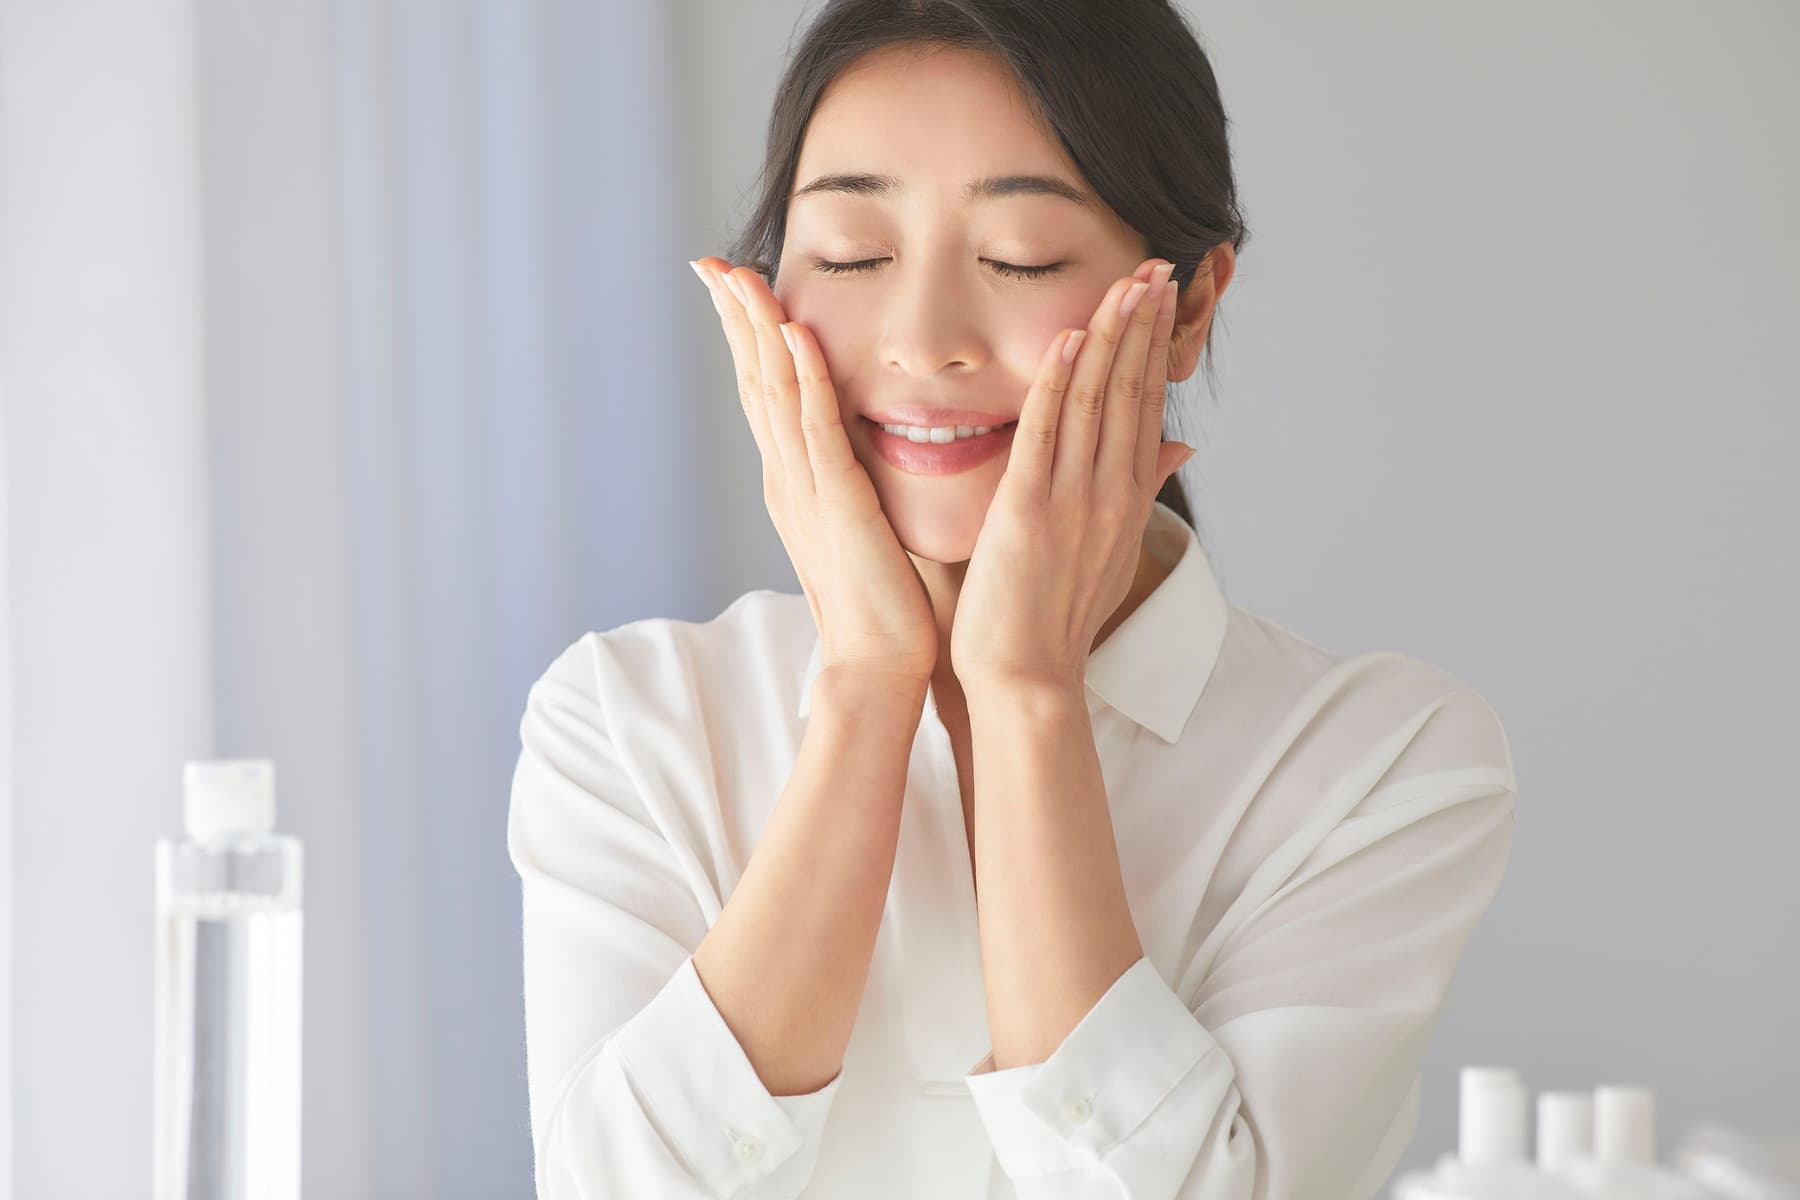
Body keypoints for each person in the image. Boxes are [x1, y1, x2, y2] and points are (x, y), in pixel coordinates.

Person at [507, 2, 1516, 1197]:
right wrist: (869, 689)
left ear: (1190, 307)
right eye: (852, 254)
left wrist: (1026, 697)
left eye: (1021, 257)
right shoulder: (630, 722)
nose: (924, 340)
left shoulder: (1377, 762)